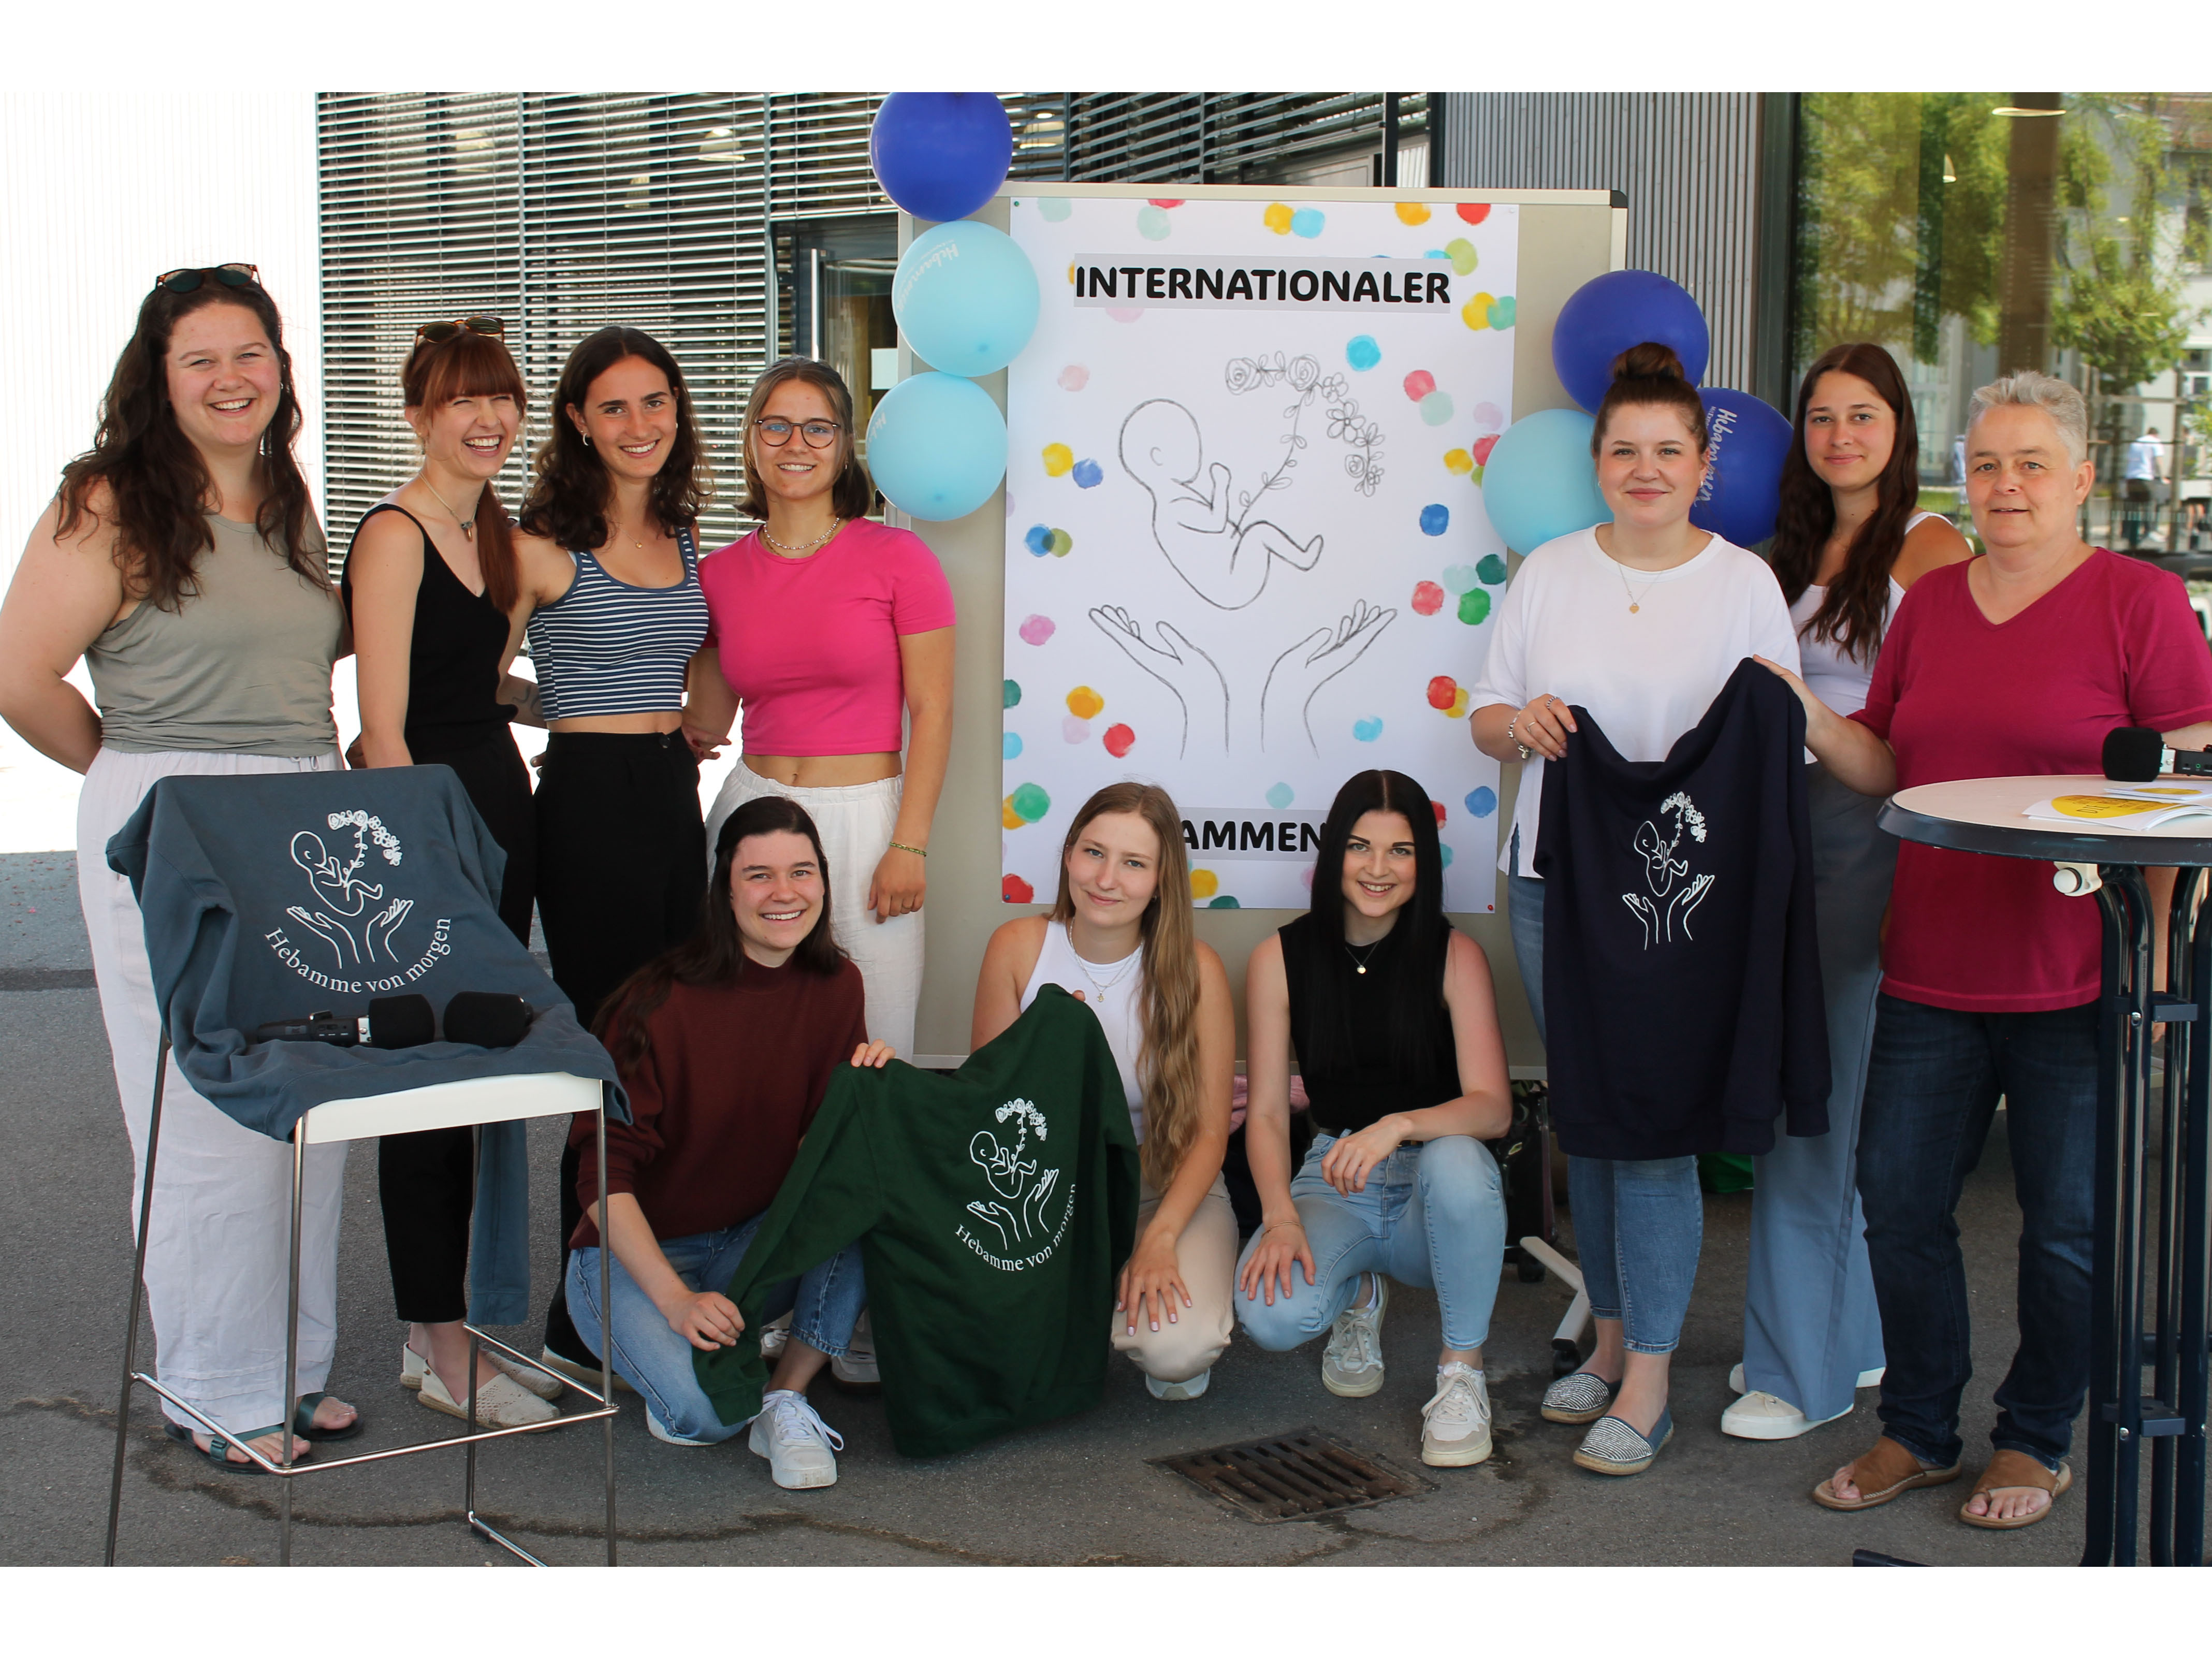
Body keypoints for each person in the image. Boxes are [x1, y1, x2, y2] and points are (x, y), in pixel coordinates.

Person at [1765, 370, 2212, 1529]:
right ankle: (1918, 1428)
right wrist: (1801, 710)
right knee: (1900, 1205)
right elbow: (1885, 763)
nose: (2005, 485)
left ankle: (2034, 1441)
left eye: (2029, 464)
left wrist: (2163, 940)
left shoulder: (2139, 601)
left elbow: (2185, 777)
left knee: (2066, 1229)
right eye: (1988, 463)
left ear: (2078, 479)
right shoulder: (1934, 607)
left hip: (2080, 972)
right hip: (1931, 962)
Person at [0, 265, 359, 1469]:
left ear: (280, 367)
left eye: (250, 351)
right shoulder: (109, 500)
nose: (230, 377)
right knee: (205, 1110)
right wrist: (139, 777)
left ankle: (295, 1371)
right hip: (177, 809)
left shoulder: (289, 499)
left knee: (310, 1099)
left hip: (306, 813)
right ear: (158, 377)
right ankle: (215, 1388)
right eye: (200, 357)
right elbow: (20, 675)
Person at [1466, 342, 1801, 1475]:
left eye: (1670, 450)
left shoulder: (1744, 585)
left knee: (1654, 1129)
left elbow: (1780, 729)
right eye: (1625, 450)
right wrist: (1527, 725)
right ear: (1597, 462)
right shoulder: (1550, 571)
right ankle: (1607, 1343)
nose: (1647, 469)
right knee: (1593, 1116)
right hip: (1553, 883)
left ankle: (1652, 1375)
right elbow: (1486, 716)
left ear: (1703, 464)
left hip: (1681, 900)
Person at [1731, 343, 1972, 1442]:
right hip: (1776, 832)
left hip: (1864, 829)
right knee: (1824, 1085)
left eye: (1862, 416)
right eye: (1821, 417)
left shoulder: (1929, 548)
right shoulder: (1781, 550)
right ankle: (1859, 1336)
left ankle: (1799, 1372)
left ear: (1900, 428)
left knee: (1814, 1104)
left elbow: (1937, 720)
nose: (1839, 436)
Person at [342, 314, 562, 1429]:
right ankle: (432, 1345)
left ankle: (453, 1330)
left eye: (503, 398)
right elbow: (384, 728)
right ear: (421, 415)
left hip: (499, 816)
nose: (489, 418)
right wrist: (425, 875)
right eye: (464, 401)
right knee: (423, 1092)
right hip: (427, 842)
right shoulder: (395, 534)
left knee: (474, 1083)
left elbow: (480, 687)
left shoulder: (499, 534)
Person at [565, 795, 890, 1489]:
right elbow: (599, 1175)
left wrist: (865, 1099)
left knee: (863, 1203)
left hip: (747, 1242)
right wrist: (675, 1301)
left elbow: (816, 1158)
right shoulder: (656, 1002)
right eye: (760, 876)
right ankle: (692, 1360)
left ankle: (787, 1393)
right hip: (633, 1258)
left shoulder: (837, 985)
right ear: (725, 889)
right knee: (705, 1418)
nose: (785, 894)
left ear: (824, 884)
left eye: (802, 872)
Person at [509, 326, 715, 1385]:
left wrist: (694, 721)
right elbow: (476, 677)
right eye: (616, 407)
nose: (640, 424)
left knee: (678, 1055)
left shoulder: (689, 540)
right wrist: (566, 708)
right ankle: (571, 1312)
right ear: (580, 422)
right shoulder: (543, 545)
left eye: (656, 403)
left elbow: (708, 673)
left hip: (674, 801)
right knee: (609, 1061)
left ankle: (658, 1287)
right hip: (585, 807)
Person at [1236, 769, 1514, 1468]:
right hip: (1335, 1179)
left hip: (1435, 1193)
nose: (1379, 869)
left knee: (1455, 1157)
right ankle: (1359, 1292)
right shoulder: (1279, 957)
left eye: (1401, 851)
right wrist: (1280, 1216)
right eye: (1361, 848)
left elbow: (1490, 1106)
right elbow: (1268, 1113)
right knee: (1270, 1313)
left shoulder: (1455, 955)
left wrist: (1396, 1126)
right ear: (1333, 853)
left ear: (1426, 861)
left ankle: (1461, 1374)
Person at [685, 357, 955, 1063]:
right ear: (750, 439)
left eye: (817, 428)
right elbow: (704, 724)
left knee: (877, 1038)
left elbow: (933, 710)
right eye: (775, 426)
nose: (795, 444)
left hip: (867, 822)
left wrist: (910, 843)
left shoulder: (900, 557)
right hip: (750, 809)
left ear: (843, 447)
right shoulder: (717, 573)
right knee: (743, 1039)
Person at [969, 782, 1236, 1401]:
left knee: (1176, 1352)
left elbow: (1209, 1134)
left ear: (1163, 879)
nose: (1107, 879)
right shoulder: (1018, 947)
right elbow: (990, 1108)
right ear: (1068, 856)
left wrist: (1162, 1236)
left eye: (1134, 863)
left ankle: (1139, 1299)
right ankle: (1085, 1307)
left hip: (1163, 1184)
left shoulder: (1198, 970)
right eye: (1094, 853)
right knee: (1002, 1354)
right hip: (1049, 1190)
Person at [2122, 425, 2162, 550]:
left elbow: (2129, 460)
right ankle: (2149, 531)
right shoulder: (2155, 442)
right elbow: (2158, 461)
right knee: (2149, 505)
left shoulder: (2136, 442)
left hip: (2132, 478)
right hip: (2146, 478)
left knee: (2133, 509)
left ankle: (2130, 536)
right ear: (2156, 435)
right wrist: (2162, 476)